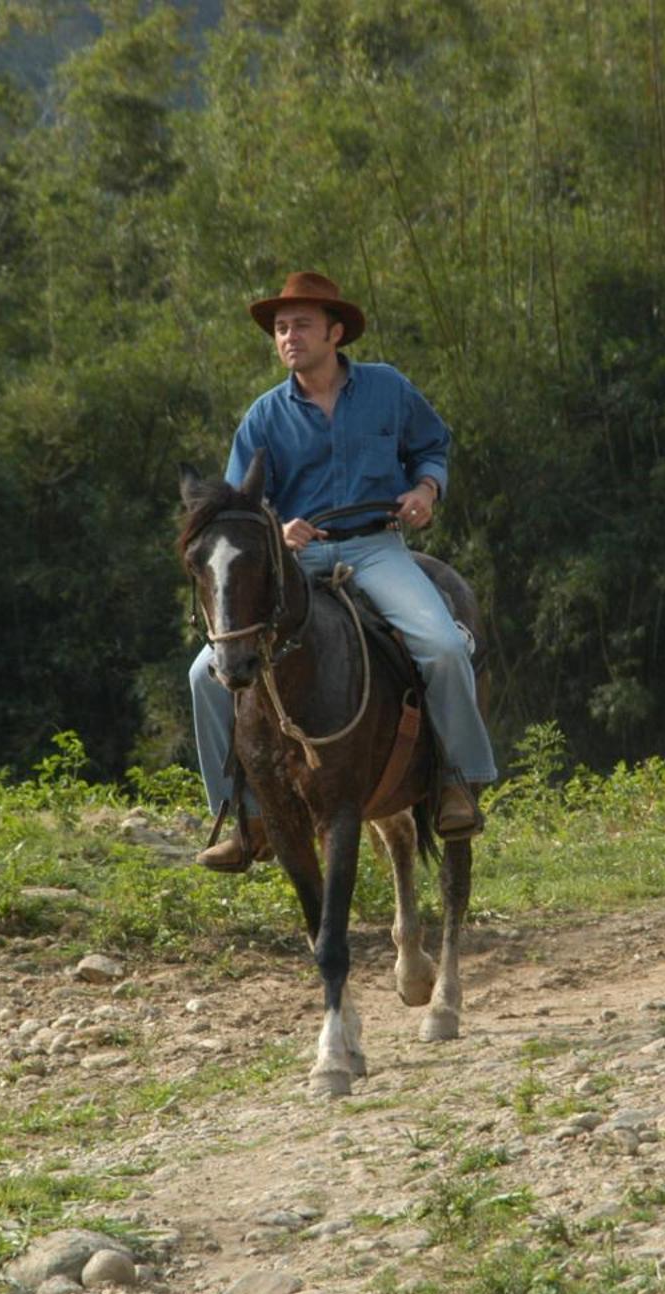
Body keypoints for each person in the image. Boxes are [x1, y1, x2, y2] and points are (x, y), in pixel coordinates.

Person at [190, 271, 497, 871]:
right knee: (205, 674)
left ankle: (457, 782)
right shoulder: (263, 417)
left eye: (300, 324)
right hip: (297, 563)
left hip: (374, 549)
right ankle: (241, 813)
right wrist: (277, 530)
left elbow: (432, 445)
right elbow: (236, 507)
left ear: (335, 332)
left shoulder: (388, 389)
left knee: (439, 644)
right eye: (280, 328)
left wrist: (427, 489)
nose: (288, 336)